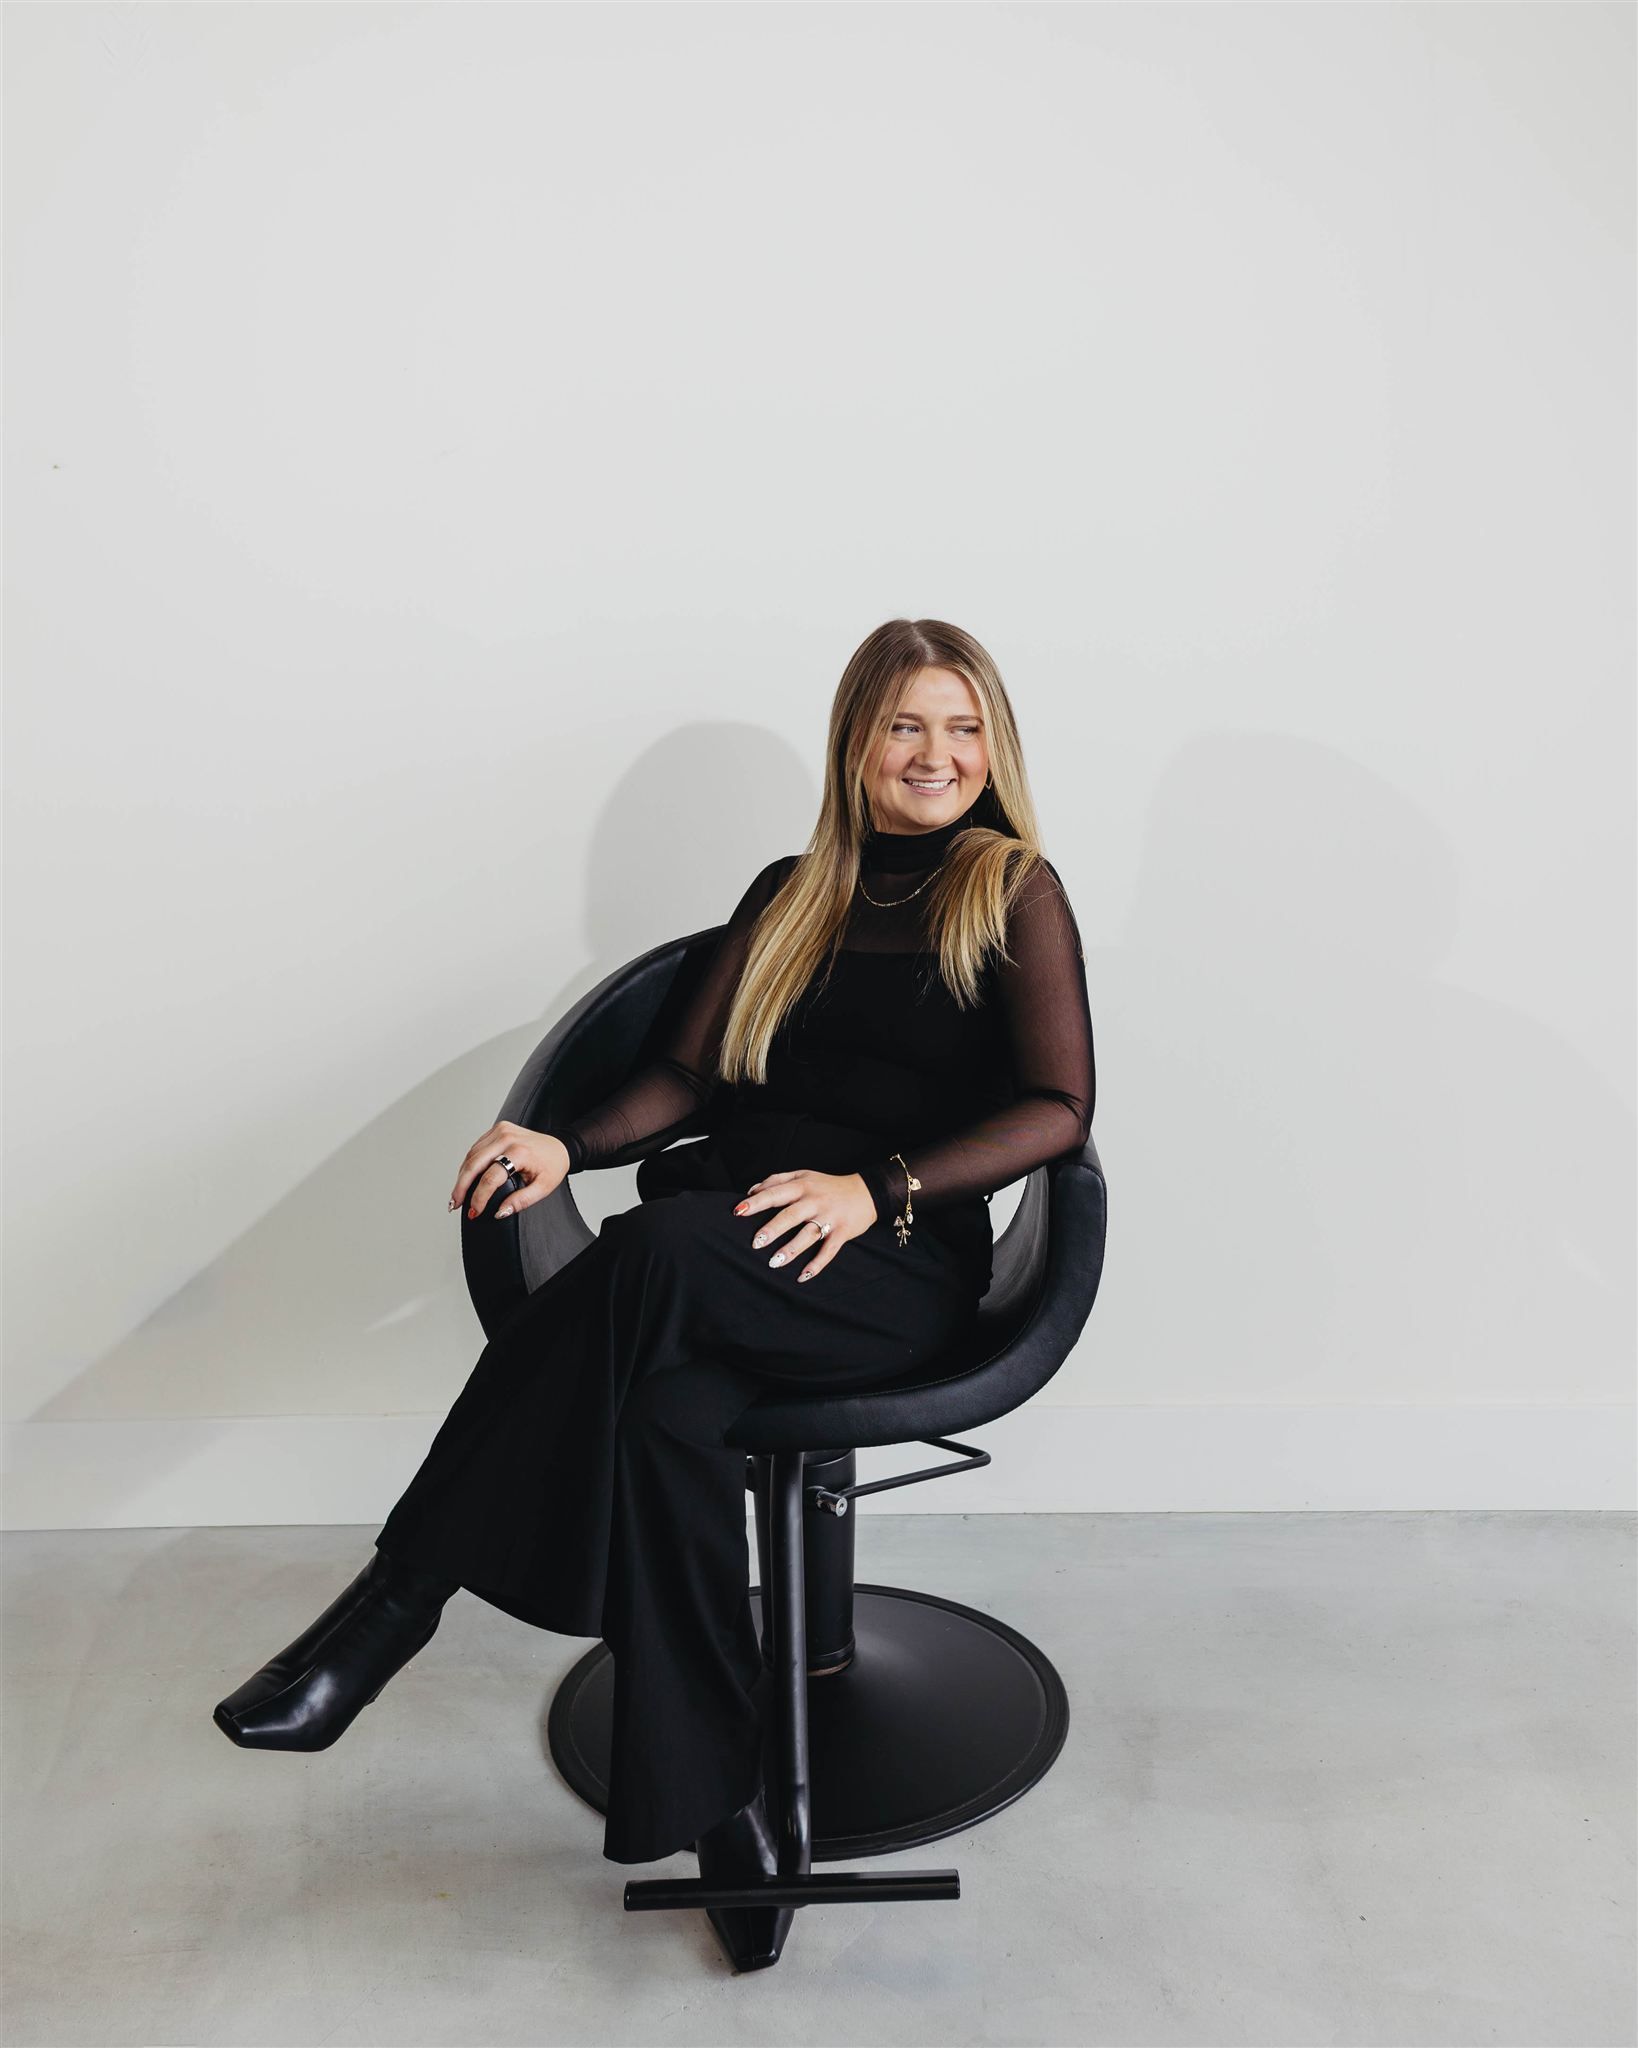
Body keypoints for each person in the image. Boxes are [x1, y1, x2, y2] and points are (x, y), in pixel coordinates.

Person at [212, 617, 1096, 1973]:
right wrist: (566, 1143)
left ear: (997, 748)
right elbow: (684, 1080)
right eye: (908, 725)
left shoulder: (1013, 889)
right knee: (666, 1414)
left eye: (963, 728)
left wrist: (878, 1191)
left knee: (655, 1251)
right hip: (725, 1254)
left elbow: (1056, 1104)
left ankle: (396, 1603)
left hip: (889, 1261)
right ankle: (726, 1810)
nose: (937, 754)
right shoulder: (789, 890)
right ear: (857, 741)